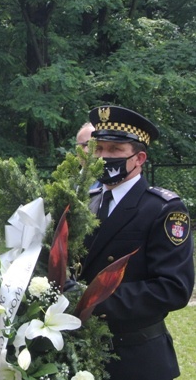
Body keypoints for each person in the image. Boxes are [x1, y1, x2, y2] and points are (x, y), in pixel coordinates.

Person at [79, 105, 194, 380]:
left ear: (139, 157)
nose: (104, 157)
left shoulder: (163, 209)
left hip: (136, 358)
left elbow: (173, 288)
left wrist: (89, 300)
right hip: (83, 354)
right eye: (99, 149)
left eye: (115, 151)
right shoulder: (87, 202)